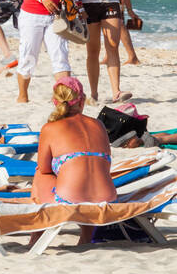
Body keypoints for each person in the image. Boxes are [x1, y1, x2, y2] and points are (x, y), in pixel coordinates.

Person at [31, 77, 116, 240]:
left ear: (55, 101)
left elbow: (44, 169)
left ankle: (36, 235)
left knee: (39, 173)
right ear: (82, 101)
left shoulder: (50, 128)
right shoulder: (99, 125)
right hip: (107, 197)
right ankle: (86, 237)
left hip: (70, 198)